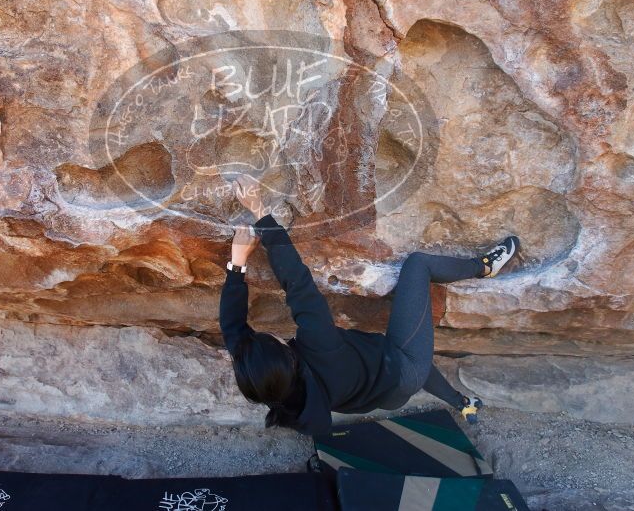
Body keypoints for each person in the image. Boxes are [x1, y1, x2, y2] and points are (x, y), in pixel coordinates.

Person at [219, 175, 520, 435]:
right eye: (268, 339)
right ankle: (484, 267)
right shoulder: (320, 347)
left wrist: (237, 264)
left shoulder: (273, 388)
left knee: (417, 371)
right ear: (286, 356)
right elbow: (298, 284)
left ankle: (462, 403)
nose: (266, 335)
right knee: (418, 266)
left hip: (380, 394)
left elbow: (233, 330)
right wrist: (259, 212)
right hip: (401, 367)